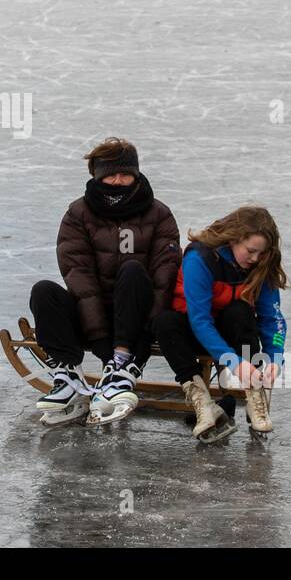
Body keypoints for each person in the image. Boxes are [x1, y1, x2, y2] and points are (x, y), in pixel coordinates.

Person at [28, 138, 179, 426]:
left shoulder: (158, 214)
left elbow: (164, 278)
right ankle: (68, 374)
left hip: (138, 316)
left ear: (136, 174)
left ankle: (122, 364)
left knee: (133, 269)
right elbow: (78, 275)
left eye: (126, 174)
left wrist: (143, 339)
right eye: (111, 174)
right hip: (92, 317)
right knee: (44, 291)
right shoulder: (78, 214)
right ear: (97, 176)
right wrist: (99, 340)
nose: (119, 181)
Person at [153, 205, 289, 439]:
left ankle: (255, 393)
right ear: (235, 239)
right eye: (251, 251)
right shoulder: (201, 258)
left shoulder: (261, 265)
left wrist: (275, 356)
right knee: (165, 322)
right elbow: (200, 322)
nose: (256, 258)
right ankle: (204, 404)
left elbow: (272, 318)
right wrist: (234, 362)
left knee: (240, 311)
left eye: (262, 253)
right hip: (193, 331)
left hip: (231, 330)